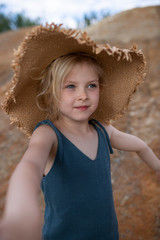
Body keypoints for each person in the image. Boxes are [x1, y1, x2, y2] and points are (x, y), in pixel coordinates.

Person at [0, 23, 160, 240]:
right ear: (50, 94)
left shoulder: (104, 131)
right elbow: (30, 165)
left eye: (91, 85)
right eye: (70, 86)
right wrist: (20, 212)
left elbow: (140, 145)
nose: (83, 95)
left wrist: (157, 167)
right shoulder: (48, 135)